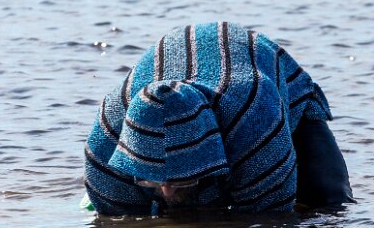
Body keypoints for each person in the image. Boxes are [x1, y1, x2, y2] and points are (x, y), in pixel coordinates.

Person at [83, 22, 353, 216]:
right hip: (175, 62)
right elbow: (118, 223)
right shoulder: (105, 148)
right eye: (153, 180)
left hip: (253, 63)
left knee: (329, 200)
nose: (165, 190)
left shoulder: (256, 121)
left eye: (181, 180)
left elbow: (269, 219)